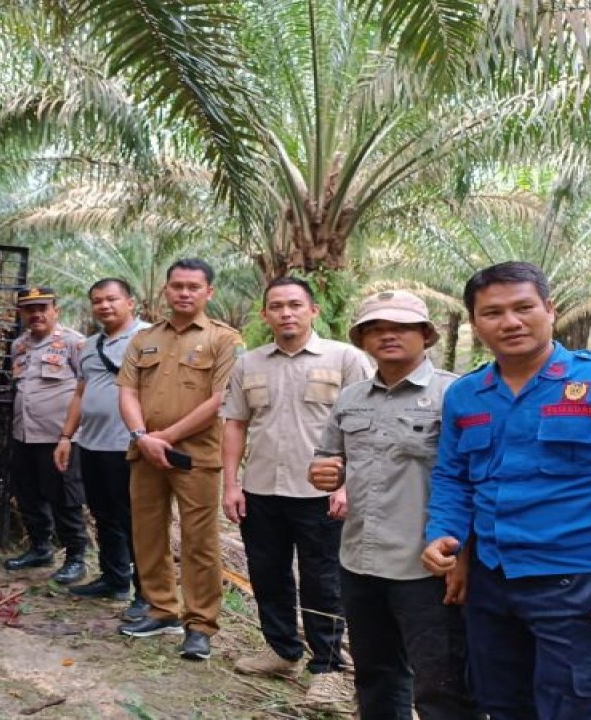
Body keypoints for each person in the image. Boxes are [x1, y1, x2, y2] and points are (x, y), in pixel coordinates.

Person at [422, 261, 591, 720]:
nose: (511, 322)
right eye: (493, 312)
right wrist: (445, 534)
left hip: (578, 585)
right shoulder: (466, 394)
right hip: (491, 581)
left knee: (571, 708)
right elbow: (453, 477)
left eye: (523, 307)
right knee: (501, 704)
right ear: (475, 323)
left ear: (550, 309)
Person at [309, 290, 481, 720]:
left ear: (426, 334)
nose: (388, 335)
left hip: (426, 566)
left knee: (442, 684)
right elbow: (328, 457)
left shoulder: (455, 394)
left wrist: (464, 555)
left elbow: (476, 479)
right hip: (359, 560)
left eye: (401, 327)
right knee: (376, 675)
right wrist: (325, 472)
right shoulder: (351, 398)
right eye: (376, 329)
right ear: (363, 339)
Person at [221, 276, 368, 705]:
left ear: (312, 311)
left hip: (321, 494)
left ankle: (328, 667)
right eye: (277, 306)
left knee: (324, 581)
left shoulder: (345, 358)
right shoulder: (249, 364)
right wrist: (231, 485)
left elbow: (365, 425)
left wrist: (348, 484)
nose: (286, 313)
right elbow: (235, 424)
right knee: (268, 574)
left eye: (295, 305)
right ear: (265, 315)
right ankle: (282, 649)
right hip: (261, 488)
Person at [117, 258, 243, 662]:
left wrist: (165, 438)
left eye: (193, 286)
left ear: (209, 292)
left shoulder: (224, 340)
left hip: (195, 456)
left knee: (199, 541)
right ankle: (160, 610)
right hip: (145, 454)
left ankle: (200, 625)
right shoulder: (144, 338)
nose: (184, 293)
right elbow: (127, 391)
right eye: (177, 286)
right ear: (166, 290)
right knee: (148, 533)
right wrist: (141, 437)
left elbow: (221, 399)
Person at [54, 278, 151, 620]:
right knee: (104, 515)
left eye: (112, 299)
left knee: (135, 520)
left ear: (130, 302)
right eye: (97, 301)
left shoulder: (149, 337)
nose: (104, 306)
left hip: (129, 445)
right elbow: (81, 392)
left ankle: (147, 593)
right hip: (92, 444)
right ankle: (114, 579)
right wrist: (66, 436)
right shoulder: (90, 345)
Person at [1, 286, 89, 584]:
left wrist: (70, 434)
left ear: (55, 310)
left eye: (43, 308)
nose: (36, 314)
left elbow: (85, 388)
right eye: (30, 309)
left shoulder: (74, 343)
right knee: (28, 494)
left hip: (59, 436)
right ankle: (40, 549)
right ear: (21, 313)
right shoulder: (19, 346)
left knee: (65, 498)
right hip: (24, 433)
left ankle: (76, 558)